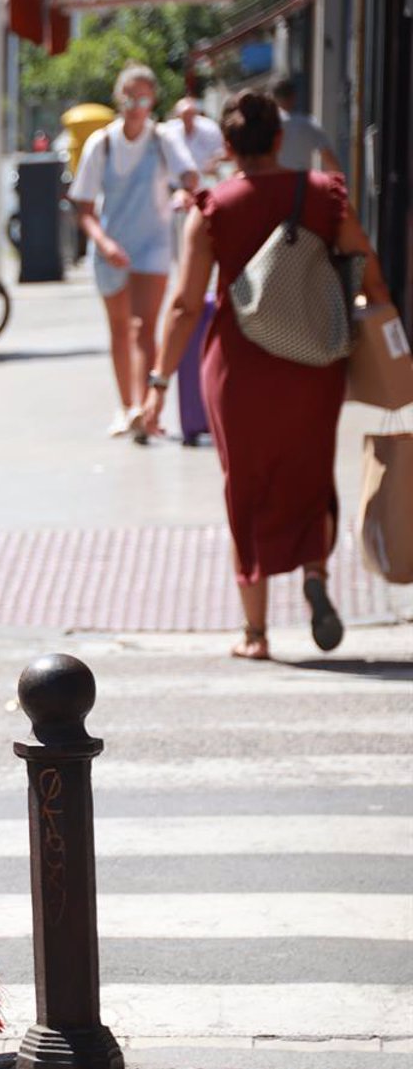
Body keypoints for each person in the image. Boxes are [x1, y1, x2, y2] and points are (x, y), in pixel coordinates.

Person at [141, 90, 398, 660]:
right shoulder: (325, 195)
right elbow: (368, 269)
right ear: (280, 139)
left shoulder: (211, 208)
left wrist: (157, 384)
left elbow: (184, 306)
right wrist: (387, 330)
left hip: (238, 367)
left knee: (247, 485)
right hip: (315, 362)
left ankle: (255, 634)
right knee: (310, 473)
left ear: (227, 147)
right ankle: (315, 580)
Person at [69, 64, 200, 441]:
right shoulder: (102, 143)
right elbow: (84, 207)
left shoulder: (163, 140)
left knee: (144, 327)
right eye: (129, 97)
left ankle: (144, 408)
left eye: (143, 98)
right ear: (119, 98)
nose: (135, 105)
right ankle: (126, 405)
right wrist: (104, 243)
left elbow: (188, 175)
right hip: (112, 244)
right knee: (120, 328)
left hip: (152, 244)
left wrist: (188, 188)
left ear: (152, 101)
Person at [271, 76, 344, 175]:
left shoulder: (267, 125)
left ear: (273, 98)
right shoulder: (308, 123)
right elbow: (330, 160)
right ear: (294, 97)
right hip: (300, 185)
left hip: (274, 183)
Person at [166, 97, 227, 182]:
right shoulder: (170, 130)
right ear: (178, 115)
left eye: (190, 114)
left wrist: (213, 161)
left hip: (205, 181)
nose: (188, 118)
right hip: (177, 182)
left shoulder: (210, 128)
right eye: (184, 115)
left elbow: (221, 152)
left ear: (195, 113)